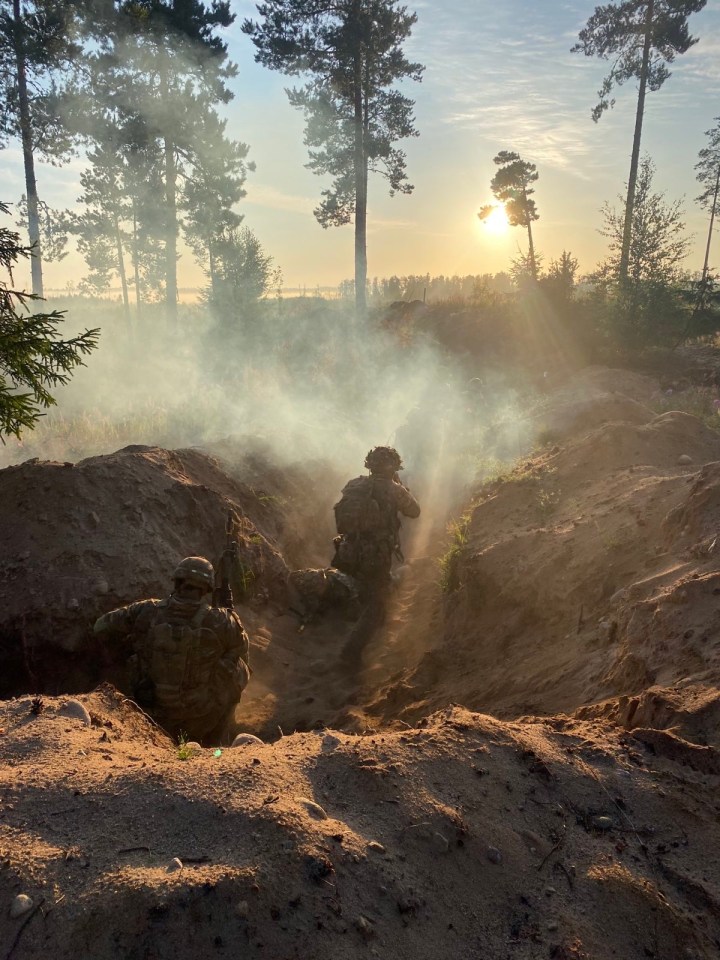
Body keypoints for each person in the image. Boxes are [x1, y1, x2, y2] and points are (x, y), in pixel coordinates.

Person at [93, 556, 250, 743]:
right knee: (240, 666)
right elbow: (241, 651)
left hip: (150, 710)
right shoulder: (222, 620)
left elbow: (100, 627)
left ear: (177, 581)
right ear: (207, 588)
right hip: (201, 717)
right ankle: (222, 734)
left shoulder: (146, 610)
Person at [332, 446, 420, 664]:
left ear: (369, 464)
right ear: (394, 467)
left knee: (368, 588)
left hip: (347, 550)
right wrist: (399, 486)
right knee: (378, 603)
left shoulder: (353, 484)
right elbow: (415, 511)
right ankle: (349, 654)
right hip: (375, 555)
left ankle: (362, 612)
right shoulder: (393, 488)